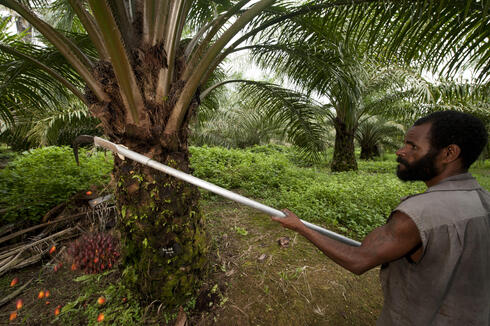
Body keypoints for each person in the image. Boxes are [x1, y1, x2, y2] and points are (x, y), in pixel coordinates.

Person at [271, 110, 489, 325]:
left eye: (413, 146)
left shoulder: (418, 214)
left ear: (449, 153)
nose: (400, 151)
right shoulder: (485, 200)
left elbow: (358, 260)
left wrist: (301, 227)